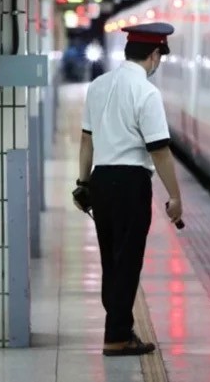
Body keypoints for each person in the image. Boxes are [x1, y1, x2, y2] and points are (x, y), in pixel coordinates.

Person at [73, 22, 184, 356]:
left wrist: (83, 183)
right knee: (127, 261)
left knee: (111, 260)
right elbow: (159, 150)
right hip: (130, 183)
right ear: (154, 55)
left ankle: (118, 327)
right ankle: (118, 335)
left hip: (101, 180)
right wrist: (175, 196)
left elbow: (87, 140)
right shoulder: (146, 93)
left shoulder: (98, 85)